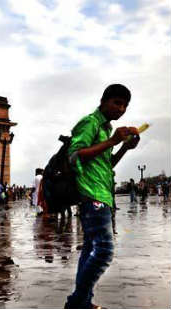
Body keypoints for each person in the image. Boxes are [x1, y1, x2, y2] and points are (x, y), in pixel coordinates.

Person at [65, 84, 140, 308]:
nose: (121, 109)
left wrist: (125, 148)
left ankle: (84, 302)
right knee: (105, 250)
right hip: (91, 195)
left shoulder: (106, 129)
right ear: (103, 101)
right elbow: (74, 156)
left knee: (90, 249)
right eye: (117, 102)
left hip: (102, 194)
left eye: (125, 105)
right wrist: (112, 141)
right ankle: (77, 302)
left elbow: (106, 165)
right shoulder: (90, 122)